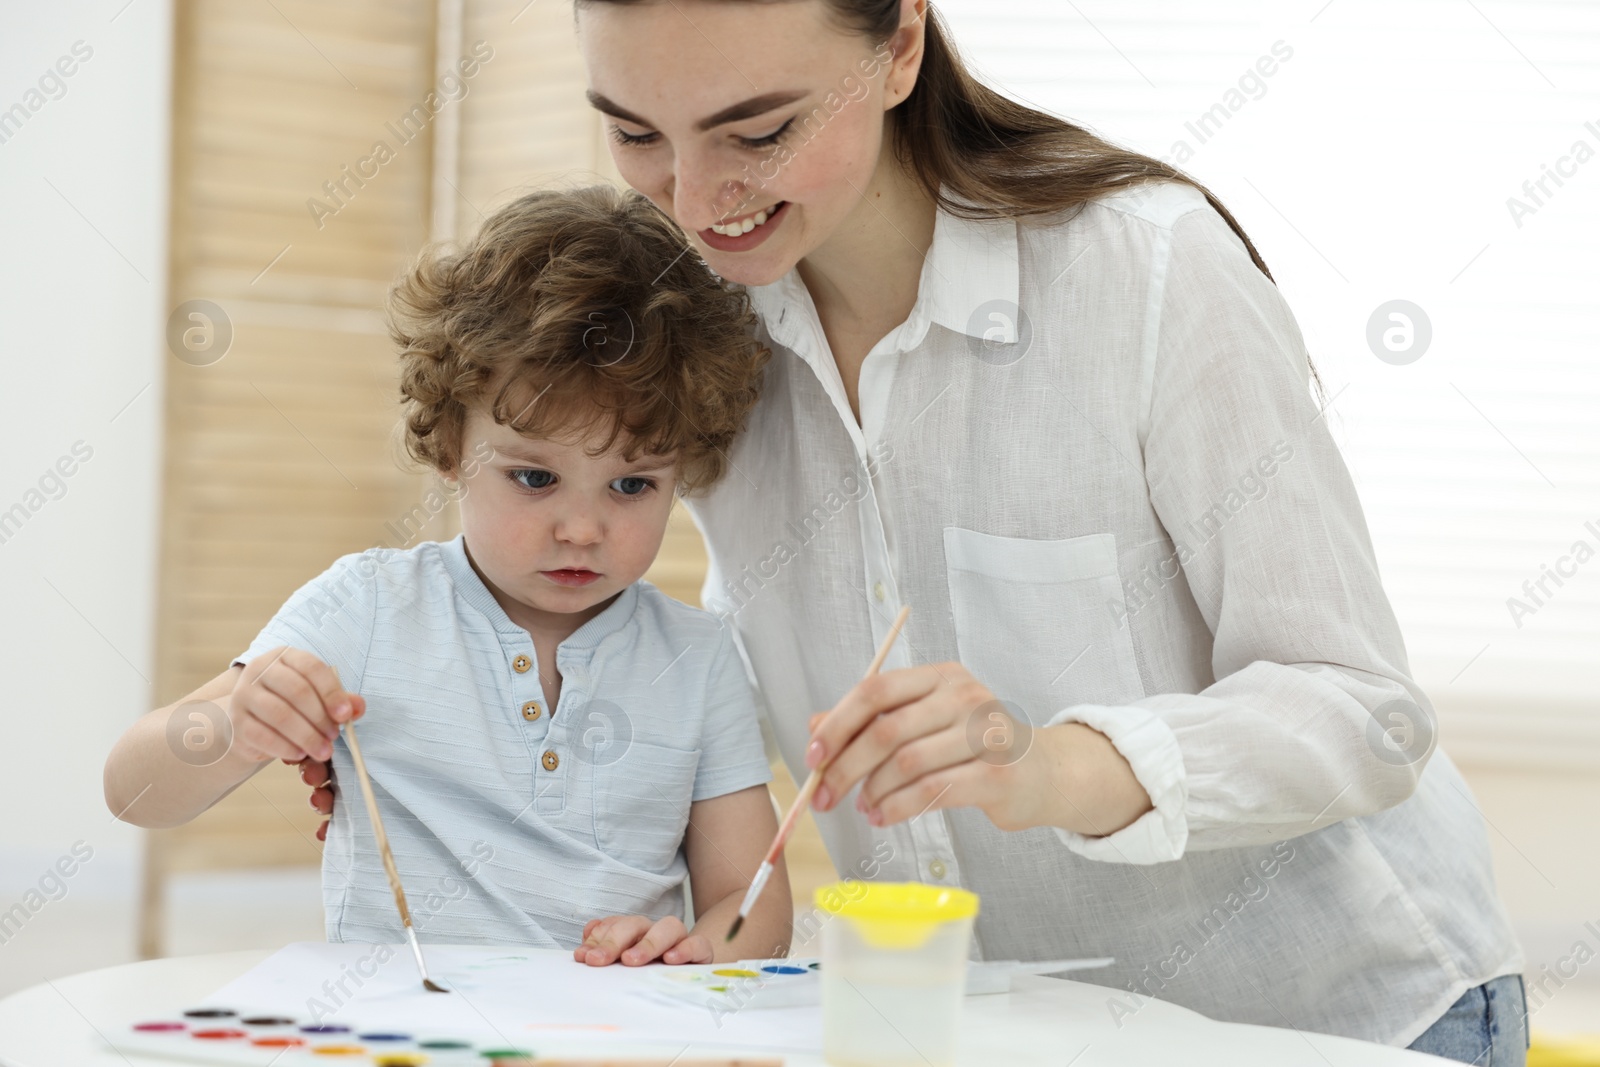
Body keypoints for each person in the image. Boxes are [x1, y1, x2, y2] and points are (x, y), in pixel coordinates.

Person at [558, 0, 1528, 1062]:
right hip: (1004, 1032)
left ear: (901, 48)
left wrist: (1051, 765)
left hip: (1327, 1018)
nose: (696, 200)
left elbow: (1362, 709)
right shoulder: (700, 330)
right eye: (637, 133)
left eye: (760, 133)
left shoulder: (1146, 270)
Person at [103, 184, 792, 967]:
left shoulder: (699, 660)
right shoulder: (365, 607)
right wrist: (236, 726)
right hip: (399, 1030)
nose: (582, 527)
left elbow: (755, 894)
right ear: (451, 448)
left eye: (633, 486)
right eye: (534, 479)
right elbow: (133, 788)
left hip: (613, 1033)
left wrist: (701, 942)